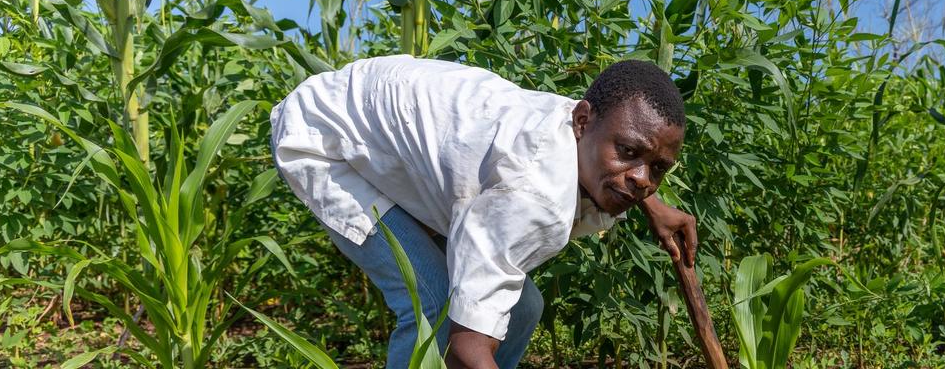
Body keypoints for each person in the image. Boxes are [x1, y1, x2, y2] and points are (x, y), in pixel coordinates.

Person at [269, 55, 697, 369]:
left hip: (386, 133)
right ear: (582, 122)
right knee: (433, 307)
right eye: (629, 153)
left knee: (523, 308)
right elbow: (465, 346)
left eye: (658, 168)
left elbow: (628, 143)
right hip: (328, 140)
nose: (642, 179)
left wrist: (653, 204)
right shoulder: (534, 195)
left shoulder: (591, 124)